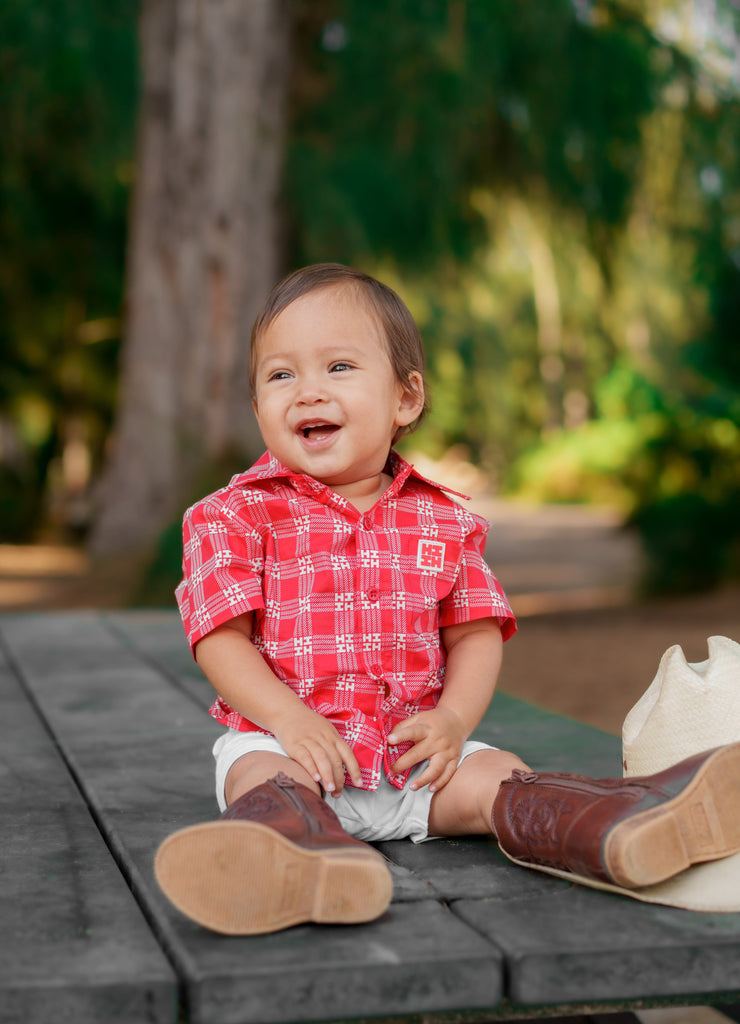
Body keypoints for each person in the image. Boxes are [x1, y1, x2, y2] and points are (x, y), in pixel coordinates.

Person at [155, 263, 740, 935]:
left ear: (405, 400)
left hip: (416, 761)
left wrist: (456, 724)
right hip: (293, 749)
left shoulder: (444, 522)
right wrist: (288, 721)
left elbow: (476, 634)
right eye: (280, 376)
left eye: (338, 367)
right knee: (255, 778)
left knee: (499, 776)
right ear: (258, 409)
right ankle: (302, 859)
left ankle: (619, 825)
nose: (306, 392)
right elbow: (219, 637)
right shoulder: (233, 516)